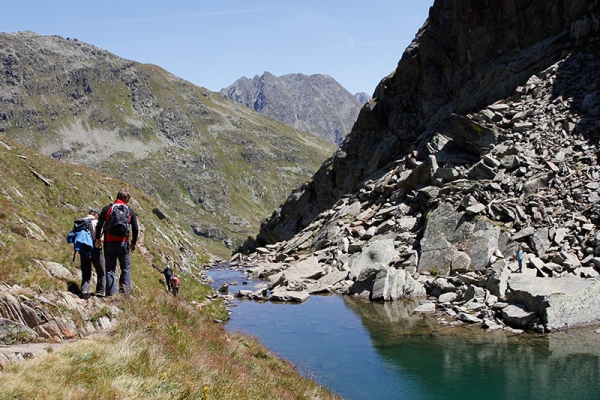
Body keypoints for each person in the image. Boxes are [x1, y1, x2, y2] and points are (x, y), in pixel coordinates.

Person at [95, 189, 139, 297]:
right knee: (125, 268)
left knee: (110, 269)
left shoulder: (108, 209)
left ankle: (110, 295)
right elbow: (135, 228)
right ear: (127, 199)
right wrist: (133, 243)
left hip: (109, 242)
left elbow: (99, 225)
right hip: (123, 243)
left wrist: (97, 238)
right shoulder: (130, 211)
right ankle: (125, 295)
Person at [81, 208, 106, 298]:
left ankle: (84, 290)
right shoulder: (95, 222)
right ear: (96, 215)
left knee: (86, 272)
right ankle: (100, 291)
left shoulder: (81, 221)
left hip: (83, 249)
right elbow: (101, 238)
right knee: (101, 272)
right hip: (95, 249)